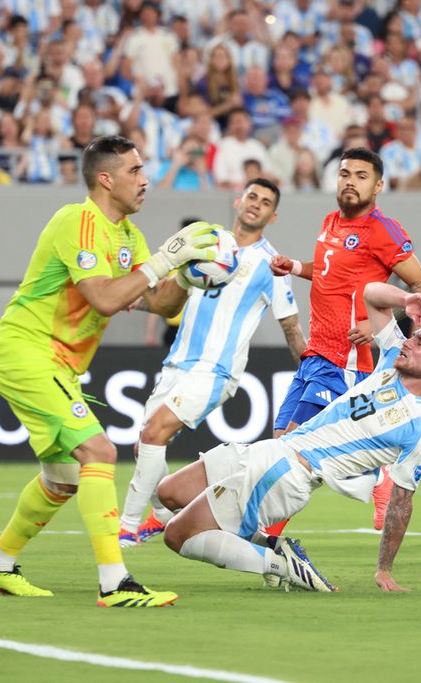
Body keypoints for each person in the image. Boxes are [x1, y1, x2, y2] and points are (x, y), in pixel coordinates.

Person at [0, 135, 220, 608]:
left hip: (61, 365)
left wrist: (187, 276)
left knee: (64, 476)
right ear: (105, 179)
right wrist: (166, 259)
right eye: (134, 171)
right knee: (98, 450)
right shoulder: (77, 222)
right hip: (27, 350)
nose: (145, 180)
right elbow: (106, 298)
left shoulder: (129, 236)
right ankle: (115, 583)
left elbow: (156, 300)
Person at [155, 282, 421, 591]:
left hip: (289, 474)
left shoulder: (420, 428)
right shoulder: (390, 361)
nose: (409, 343)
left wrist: (384, 569)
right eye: (413, 336)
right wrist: (405, 299)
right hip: (274, 450)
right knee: (168, 493)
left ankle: (281, 564)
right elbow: (370, 294)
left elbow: (401, 504)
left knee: (177, 535)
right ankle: (275, 547)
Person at [119, 178, 307, 545]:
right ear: (238, 201)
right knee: (145, 446)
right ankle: (161, 516)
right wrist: (137, 301)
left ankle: (125, 528)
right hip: (177, 364)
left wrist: (314, 377)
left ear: (273, 215)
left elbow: (290, 327)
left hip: (216, 372)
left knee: (155, 431)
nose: (256, 204)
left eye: (266, 202)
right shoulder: (206, 244)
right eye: (252, 196)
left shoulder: (271, 265)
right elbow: (169, 302)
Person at [268, 146, 421, 532]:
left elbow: (420, 287)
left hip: (344, 359)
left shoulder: (383, 230)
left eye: (361, 176)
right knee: (280, 442)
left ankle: (267, 538)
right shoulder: (330, 221)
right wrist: (292, 267)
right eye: (344, 174)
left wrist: (377, 325)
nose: (350, 182)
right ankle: (376, 476)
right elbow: (328, 274)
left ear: (378, 186)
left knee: (295, 448)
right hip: (315, 352)